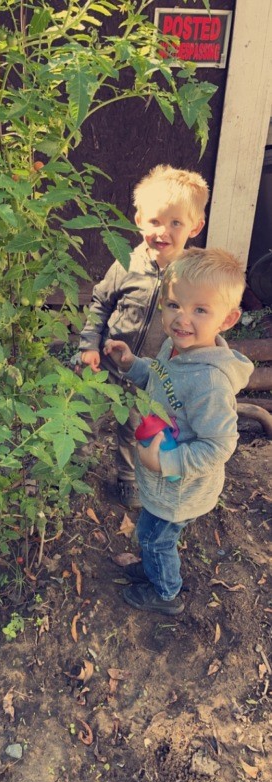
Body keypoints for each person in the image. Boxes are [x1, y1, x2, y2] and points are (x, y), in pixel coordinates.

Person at [103, 247, 254, 616]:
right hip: (162, 481)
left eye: (200, 310)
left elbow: (219, 446)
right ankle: (154, 566)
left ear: (228, 319)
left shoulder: (209, 383)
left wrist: (166, 461)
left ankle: (166, 593)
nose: (182, 319)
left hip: (179, 489)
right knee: (151, 534)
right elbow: (159, 379)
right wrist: (132, 364)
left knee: (156, 539)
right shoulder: (176, 348)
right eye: (174, 305)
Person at [78, 165, 209, 508]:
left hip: (150, 373)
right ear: (139, 220)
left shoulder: (192, 277)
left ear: (195, 226)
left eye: (176, 223)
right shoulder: (126, 263)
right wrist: (90, 345)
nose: (162, 231)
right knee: (86, 413)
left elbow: (198, 325)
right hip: (107, 362)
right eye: (155, 221)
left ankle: (127, 478)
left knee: (135, 426)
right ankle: (72, 462)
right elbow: (100, 304)